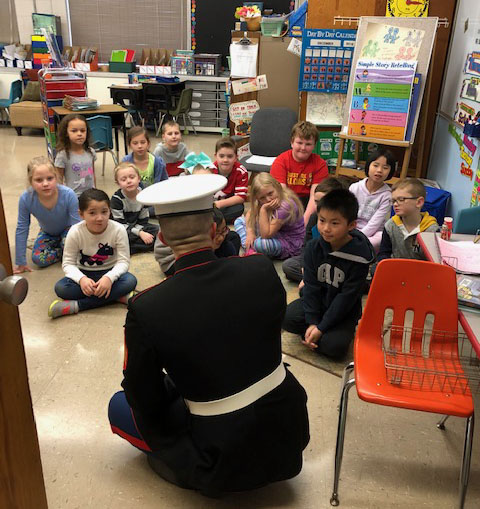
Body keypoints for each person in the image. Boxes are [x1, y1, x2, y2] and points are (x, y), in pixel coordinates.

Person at [108, 175, 309, 496]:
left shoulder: (147, 307)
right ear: (214, 231)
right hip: (289, 428)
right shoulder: (259, 269)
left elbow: (141, 393)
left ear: (163, 238)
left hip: (219, 458)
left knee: (119, 406)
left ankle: (178, 463)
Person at [283, 189, 374, 359]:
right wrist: (312, 322)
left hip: (343, 312)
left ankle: (318, 335)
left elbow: (347, 298)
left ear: (351, 225)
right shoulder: (313, 248)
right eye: (322, 220)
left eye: (335, 223)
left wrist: (322, 327)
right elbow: (311, 287)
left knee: (335, 348)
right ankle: (315, 335)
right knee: (287, 318)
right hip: (318, 304)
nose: (326, 228)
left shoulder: (359, 257)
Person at [48, 188, 137, 319]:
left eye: (104, 212)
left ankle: (77, 306)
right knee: (61, 288)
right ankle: (117, 296)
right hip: (85, 273)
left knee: (130, 281)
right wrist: (82, 279)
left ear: (110, 211)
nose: (99, 218)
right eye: (92, 213)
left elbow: (123, 262)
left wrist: (109, 278)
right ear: (81, 214)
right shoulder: (75, 231)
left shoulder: (118, 229)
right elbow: (68, 264)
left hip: (110, 272)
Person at [14, 156, 80, 274]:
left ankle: (63, 248)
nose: (45, 184)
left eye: (50, 178)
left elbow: (78, 225)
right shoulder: (26, 198)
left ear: (56, 177)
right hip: (47, 232)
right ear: (31, 182)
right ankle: (61, 251)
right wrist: (21, 261)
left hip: (69, 231)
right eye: (39, 180)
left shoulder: (68, 195)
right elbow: (22, 228)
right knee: (38, 259)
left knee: (75, 253)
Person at [282, 176, 344, 283]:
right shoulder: (314, 217)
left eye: (323, 201)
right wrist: (304, 266)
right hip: (316, 260)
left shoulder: (341, 221)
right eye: (316, 201)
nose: (318, 206)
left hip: (335, 263)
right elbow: (306, 245)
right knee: (289, 266)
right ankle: (318, 280)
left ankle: (317, 280)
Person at [234, 173, 305, 259]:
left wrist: (263, 210)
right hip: (274, 232)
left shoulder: (285, 206)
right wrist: (250, 232)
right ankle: (251, 249)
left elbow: (266, 235)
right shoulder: (262, 201)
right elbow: (250, 214)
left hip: (289, 241)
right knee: (239, 221)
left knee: (261, 244)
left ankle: (251, 248)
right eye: (262, 198)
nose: (268, 199)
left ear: (277, 187)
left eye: (270, 193)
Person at [270, 121, 328, 224]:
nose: (303, 148)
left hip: (308, 201)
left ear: (314, 145)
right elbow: (281, 193)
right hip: (287, 199)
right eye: (299, 143)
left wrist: (304, 222)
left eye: (308, 144)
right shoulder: (280, 161)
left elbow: (315, 197)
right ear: (292, 142)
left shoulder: (320, 164)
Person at [377, 178, 439, 264]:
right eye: (393, 200)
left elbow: (435, 261)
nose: (395, 204)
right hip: (395, 270)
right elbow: (383, 254)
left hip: (420, 273)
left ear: (419, 202)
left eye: (401, 199)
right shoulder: (390, 226)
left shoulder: (432, 231)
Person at [349, 148, 395, 251]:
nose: (379, 170)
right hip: (351, 227)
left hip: (373, 233)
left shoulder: (387, 195)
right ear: (368, 166)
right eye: (375, 165)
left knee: (380, 238)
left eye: (385, 167)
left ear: (390, 172)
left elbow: (375, 223)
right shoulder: (354, 188)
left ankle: (356, 247)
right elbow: (347, 213)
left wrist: (359, 237)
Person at [110, 162, 160, 254]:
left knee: (159, 230)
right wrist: (140, 233)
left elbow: (143, 220)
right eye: (123, 179)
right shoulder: (117, 200)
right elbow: (120, 225)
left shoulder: (143, 195)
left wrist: (141, 231)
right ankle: (139, 246)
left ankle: (135, 246)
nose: (128, 181)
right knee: (119, 237)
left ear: (139, 179)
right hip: (123, 228)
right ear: (118, 183)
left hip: (138, 225)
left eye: (132, 177)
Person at [54, 113, 96, 197]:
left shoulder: (90, 152)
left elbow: (93, 174)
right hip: (73, 197)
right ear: (66, 133)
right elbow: (59, 180)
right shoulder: (62, 155)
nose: (79, 134)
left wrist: (95, 191)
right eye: (74, 131)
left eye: (83, 130)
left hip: (90, 196)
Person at [211, 137, 248, 223]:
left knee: (239, 208)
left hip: (227, 203)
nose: (225, 160)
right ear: (215, 156)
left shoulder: (241, 171)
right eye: (221, 156)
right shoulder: (210, 169)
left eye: (230, 156)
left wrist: (219, 204)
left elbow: (240, 197)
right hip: (211, 203)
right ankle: (215, 219)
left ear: (236, 157)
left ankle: (211, 219)